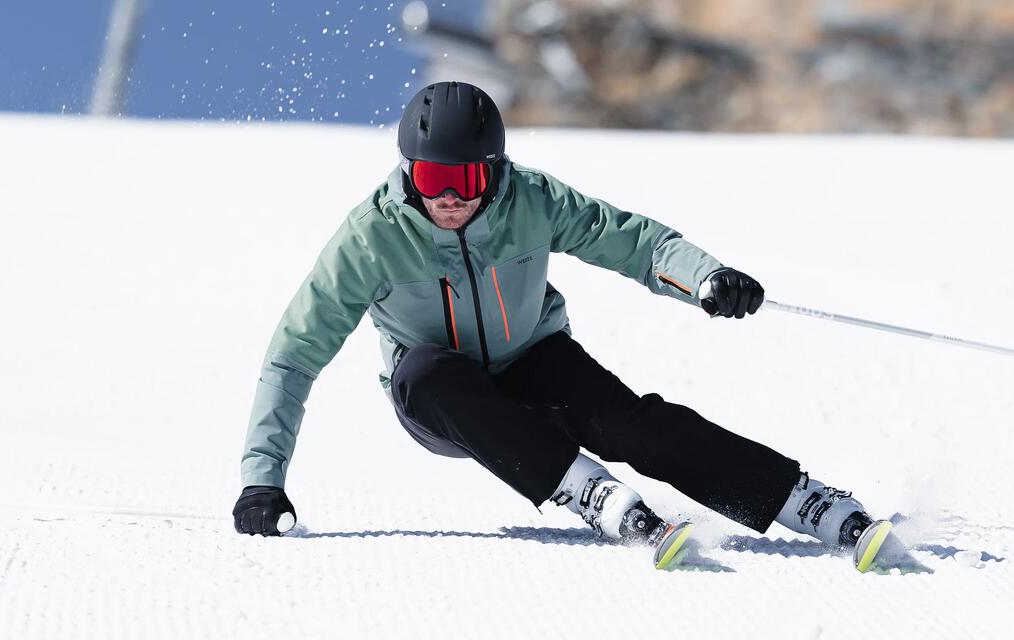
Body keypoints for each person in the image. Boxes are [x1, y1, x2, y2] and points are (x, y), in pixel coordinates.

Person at [231, 81, 906, 571]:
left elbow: (632, 241)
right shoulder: (370, 238)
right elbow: (293, 356)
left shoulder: (530, 199)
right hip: (442, 397)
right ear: (409, 169)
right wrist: (263, 479)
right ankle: (581, 488)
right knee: (426, 372)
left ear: (491, 171)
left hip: (533, 358)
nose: (449, 197)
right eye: (433, 176)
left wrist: (705, 277)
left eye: (465, 177)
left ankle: (804, 502)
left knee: (627, 422)